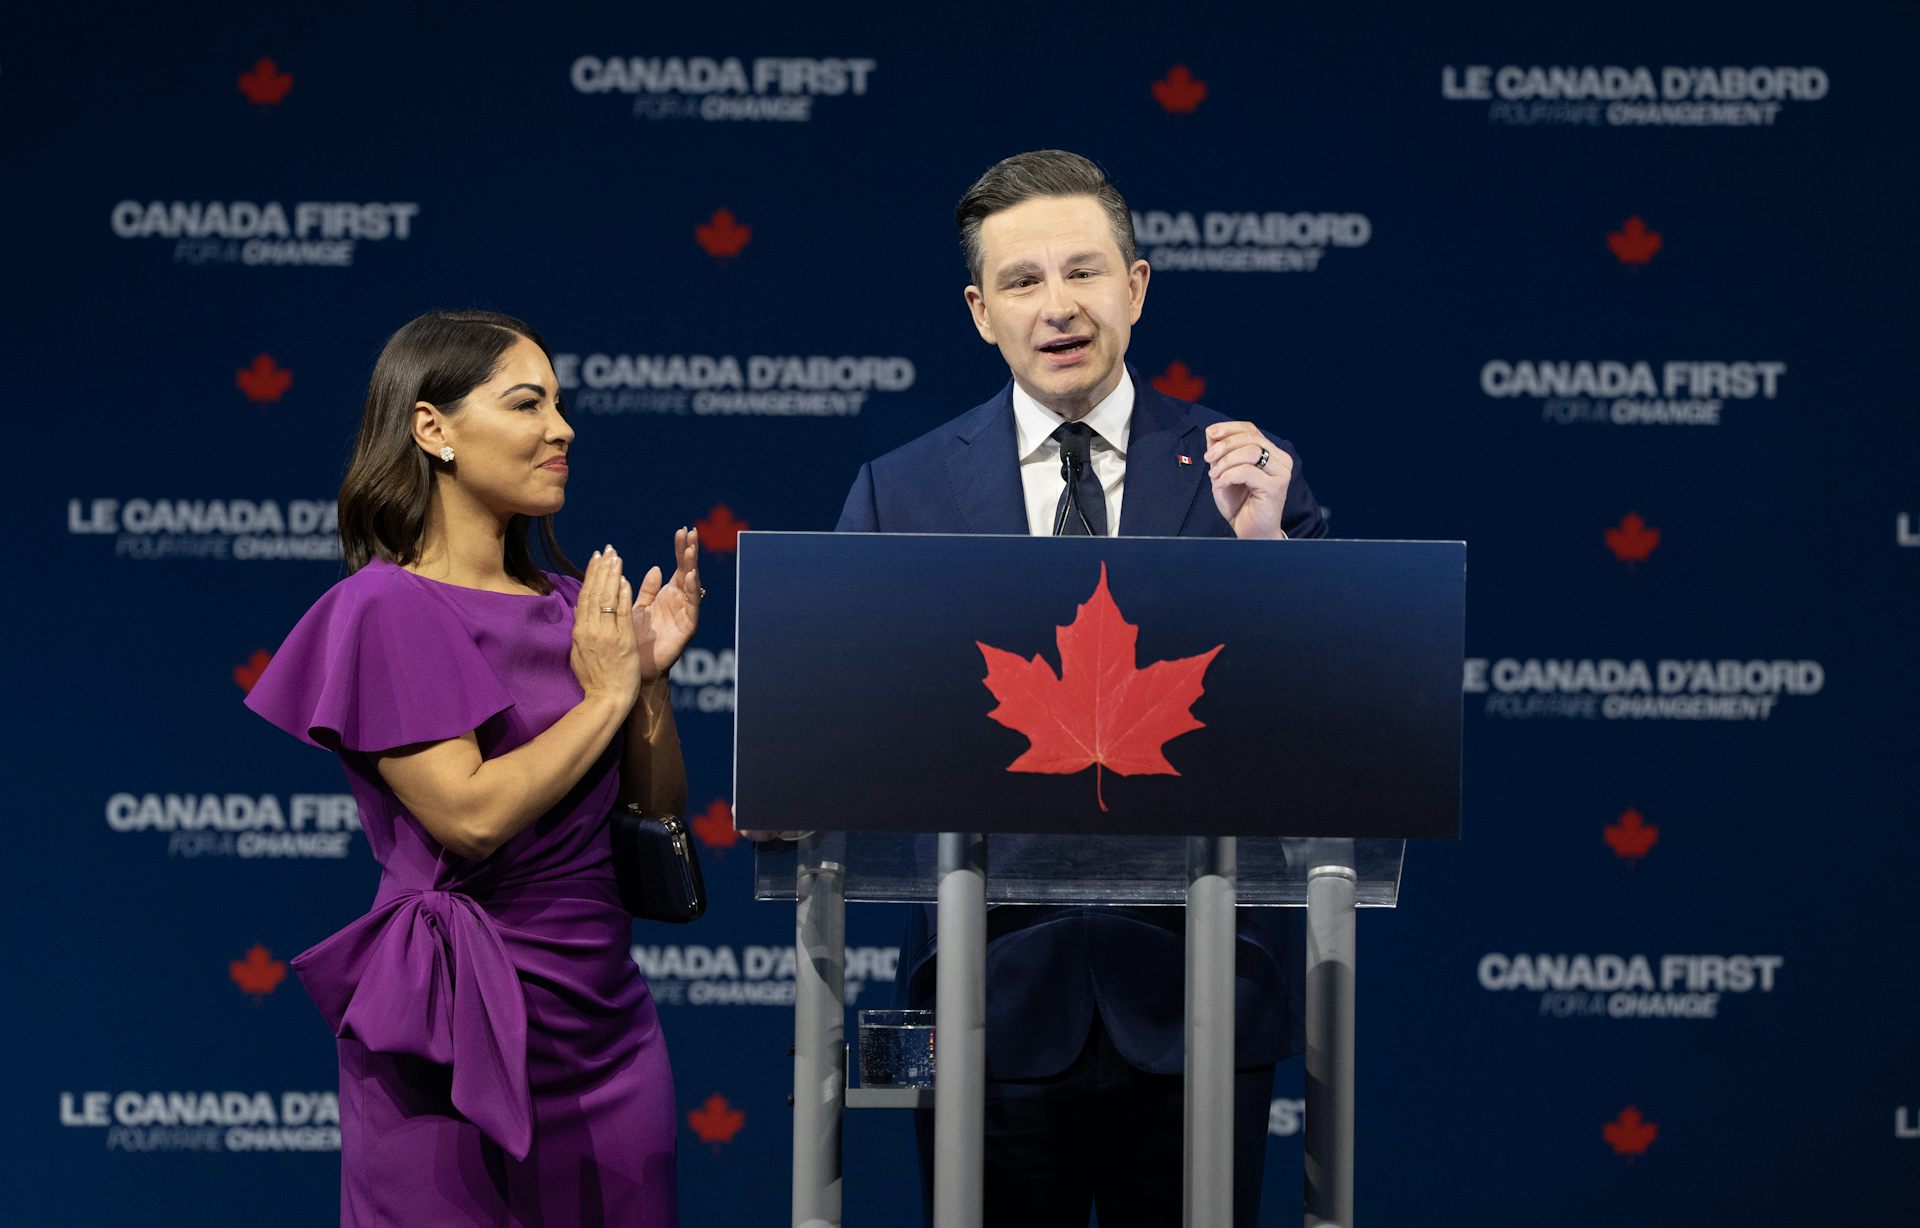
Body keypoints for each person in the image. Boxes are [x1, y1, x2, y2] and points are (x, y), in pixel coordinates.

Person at [835, 150, 1329, 1226]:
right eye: (1020, 281)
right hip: (985, 999)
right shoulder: (898, 493)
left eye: (1084, 272)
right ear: (980, 311)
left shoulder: (1247, 475)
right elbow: (838, 739)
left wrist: (1264, 559)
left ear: (1137, 287)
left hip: (1199, 993)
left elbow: (1327, 739)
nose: (1057, 307)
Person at [244, 309, 701, 1225]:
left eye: (561, 406)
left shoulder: (577, 607)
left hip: (607, 1030)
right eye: (527, 404)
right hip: (448, 1028)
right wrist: (606, 697)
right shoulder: (386, 606)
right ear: (432, 429)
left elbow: (656, 816)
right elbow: (470, 816)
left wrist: (646, 684)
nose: (561, 429)